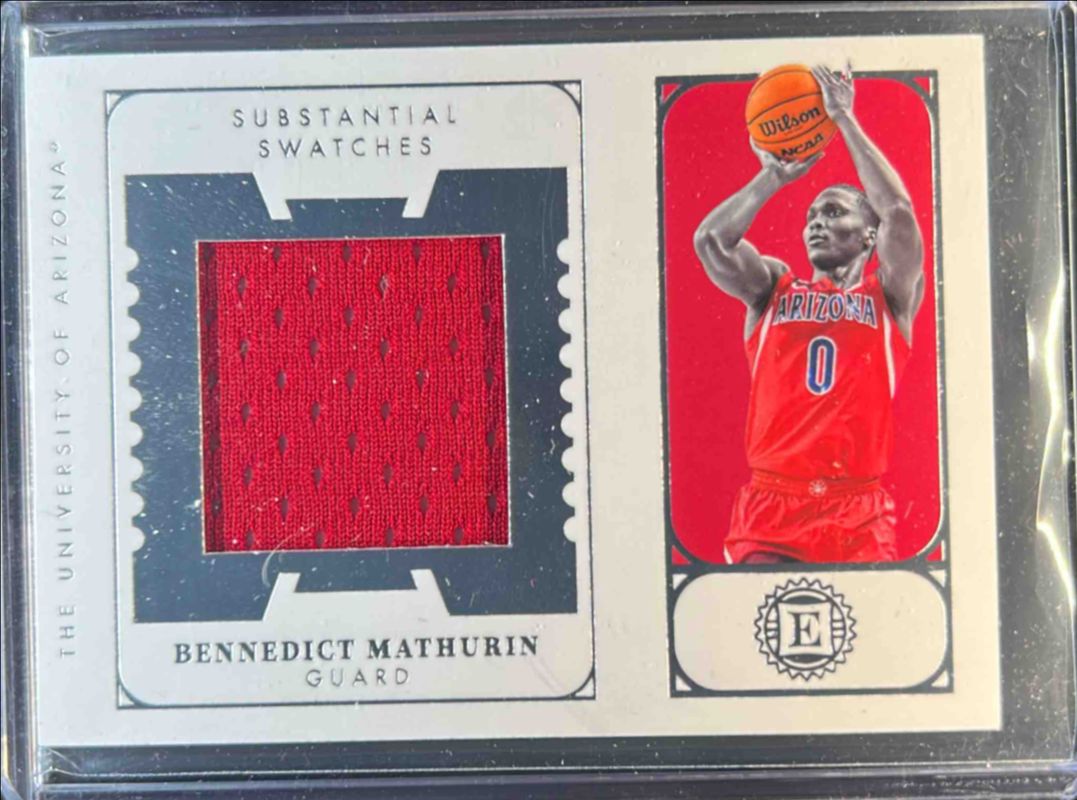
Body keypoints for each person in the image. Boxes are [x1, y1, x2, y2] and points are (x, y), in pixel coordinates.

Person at [692, 66, 925, 564]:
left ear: (869, 234)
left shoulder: (888, 296)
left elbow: (899, 212)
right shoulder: (773, 288)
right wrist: (772, 176)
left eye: (834, 212)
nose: (817, 222)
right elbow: (710, 241)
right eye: (811, 216)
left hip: (858, 511)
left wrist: (843, 117)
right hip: (773, 506)